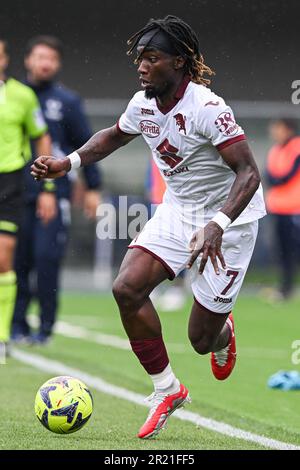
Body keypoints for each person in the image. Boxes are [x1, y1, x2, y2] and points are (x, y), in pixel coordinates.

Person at [31, 16, 266, 439]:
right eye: (139, 57)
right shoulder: (142, 104)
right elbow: (113, 136)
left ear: (178, 63)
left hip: (230, 222)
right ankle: (167, 390)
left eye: (151, 58)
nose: (141, 66)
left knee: (200, 339)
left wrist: (217, 223)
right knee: (127, 287)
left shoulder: (209, 108)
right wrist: (68, 163)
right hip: (178, 212)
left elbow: (249, 173)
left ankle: (223, 333)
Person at [11, 36, 102, 344]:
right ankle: (16, 325)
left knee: (46, 258)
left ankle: (45, 329)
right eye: (39, 57)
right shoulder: (12, 97)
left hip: (54, 193)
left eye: (51, 58)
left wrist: (93, 186)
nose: (45, 63)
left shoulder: (67, 102)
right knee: (16, 261)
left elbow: (87, 144)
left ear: (58, 64)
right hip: (14, 192)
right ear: (27, 60)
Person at [0, 39, 51, 352]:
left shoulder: (23, 95)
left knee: (4, 260)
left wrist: (46, 186)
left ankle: (2, 334)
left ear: (5, 58)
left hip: (9, 184)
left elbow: (41, 137)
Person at [145, 157, 187, 311]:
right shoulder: (156, 143)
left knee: (182, 246)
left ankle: (178, 289)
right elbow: (151, 174)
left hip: (179, 204)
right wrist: (149, 187)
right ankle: (154, 287)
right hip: (157, 202)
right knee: (154, 247)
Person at [265, 118, 300, 299]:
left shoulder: (296, 147)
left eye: (277, 128)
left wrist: (277, 180)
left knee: (294, 250)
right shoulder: (275, 150)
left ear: (288, 129)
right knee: (283, 250)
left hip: (295, 209)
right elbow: (269, 176)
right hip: (278, 208)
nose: (274, 132)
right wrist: (276, 180)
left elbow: (286, 176)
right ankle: (286, 288)